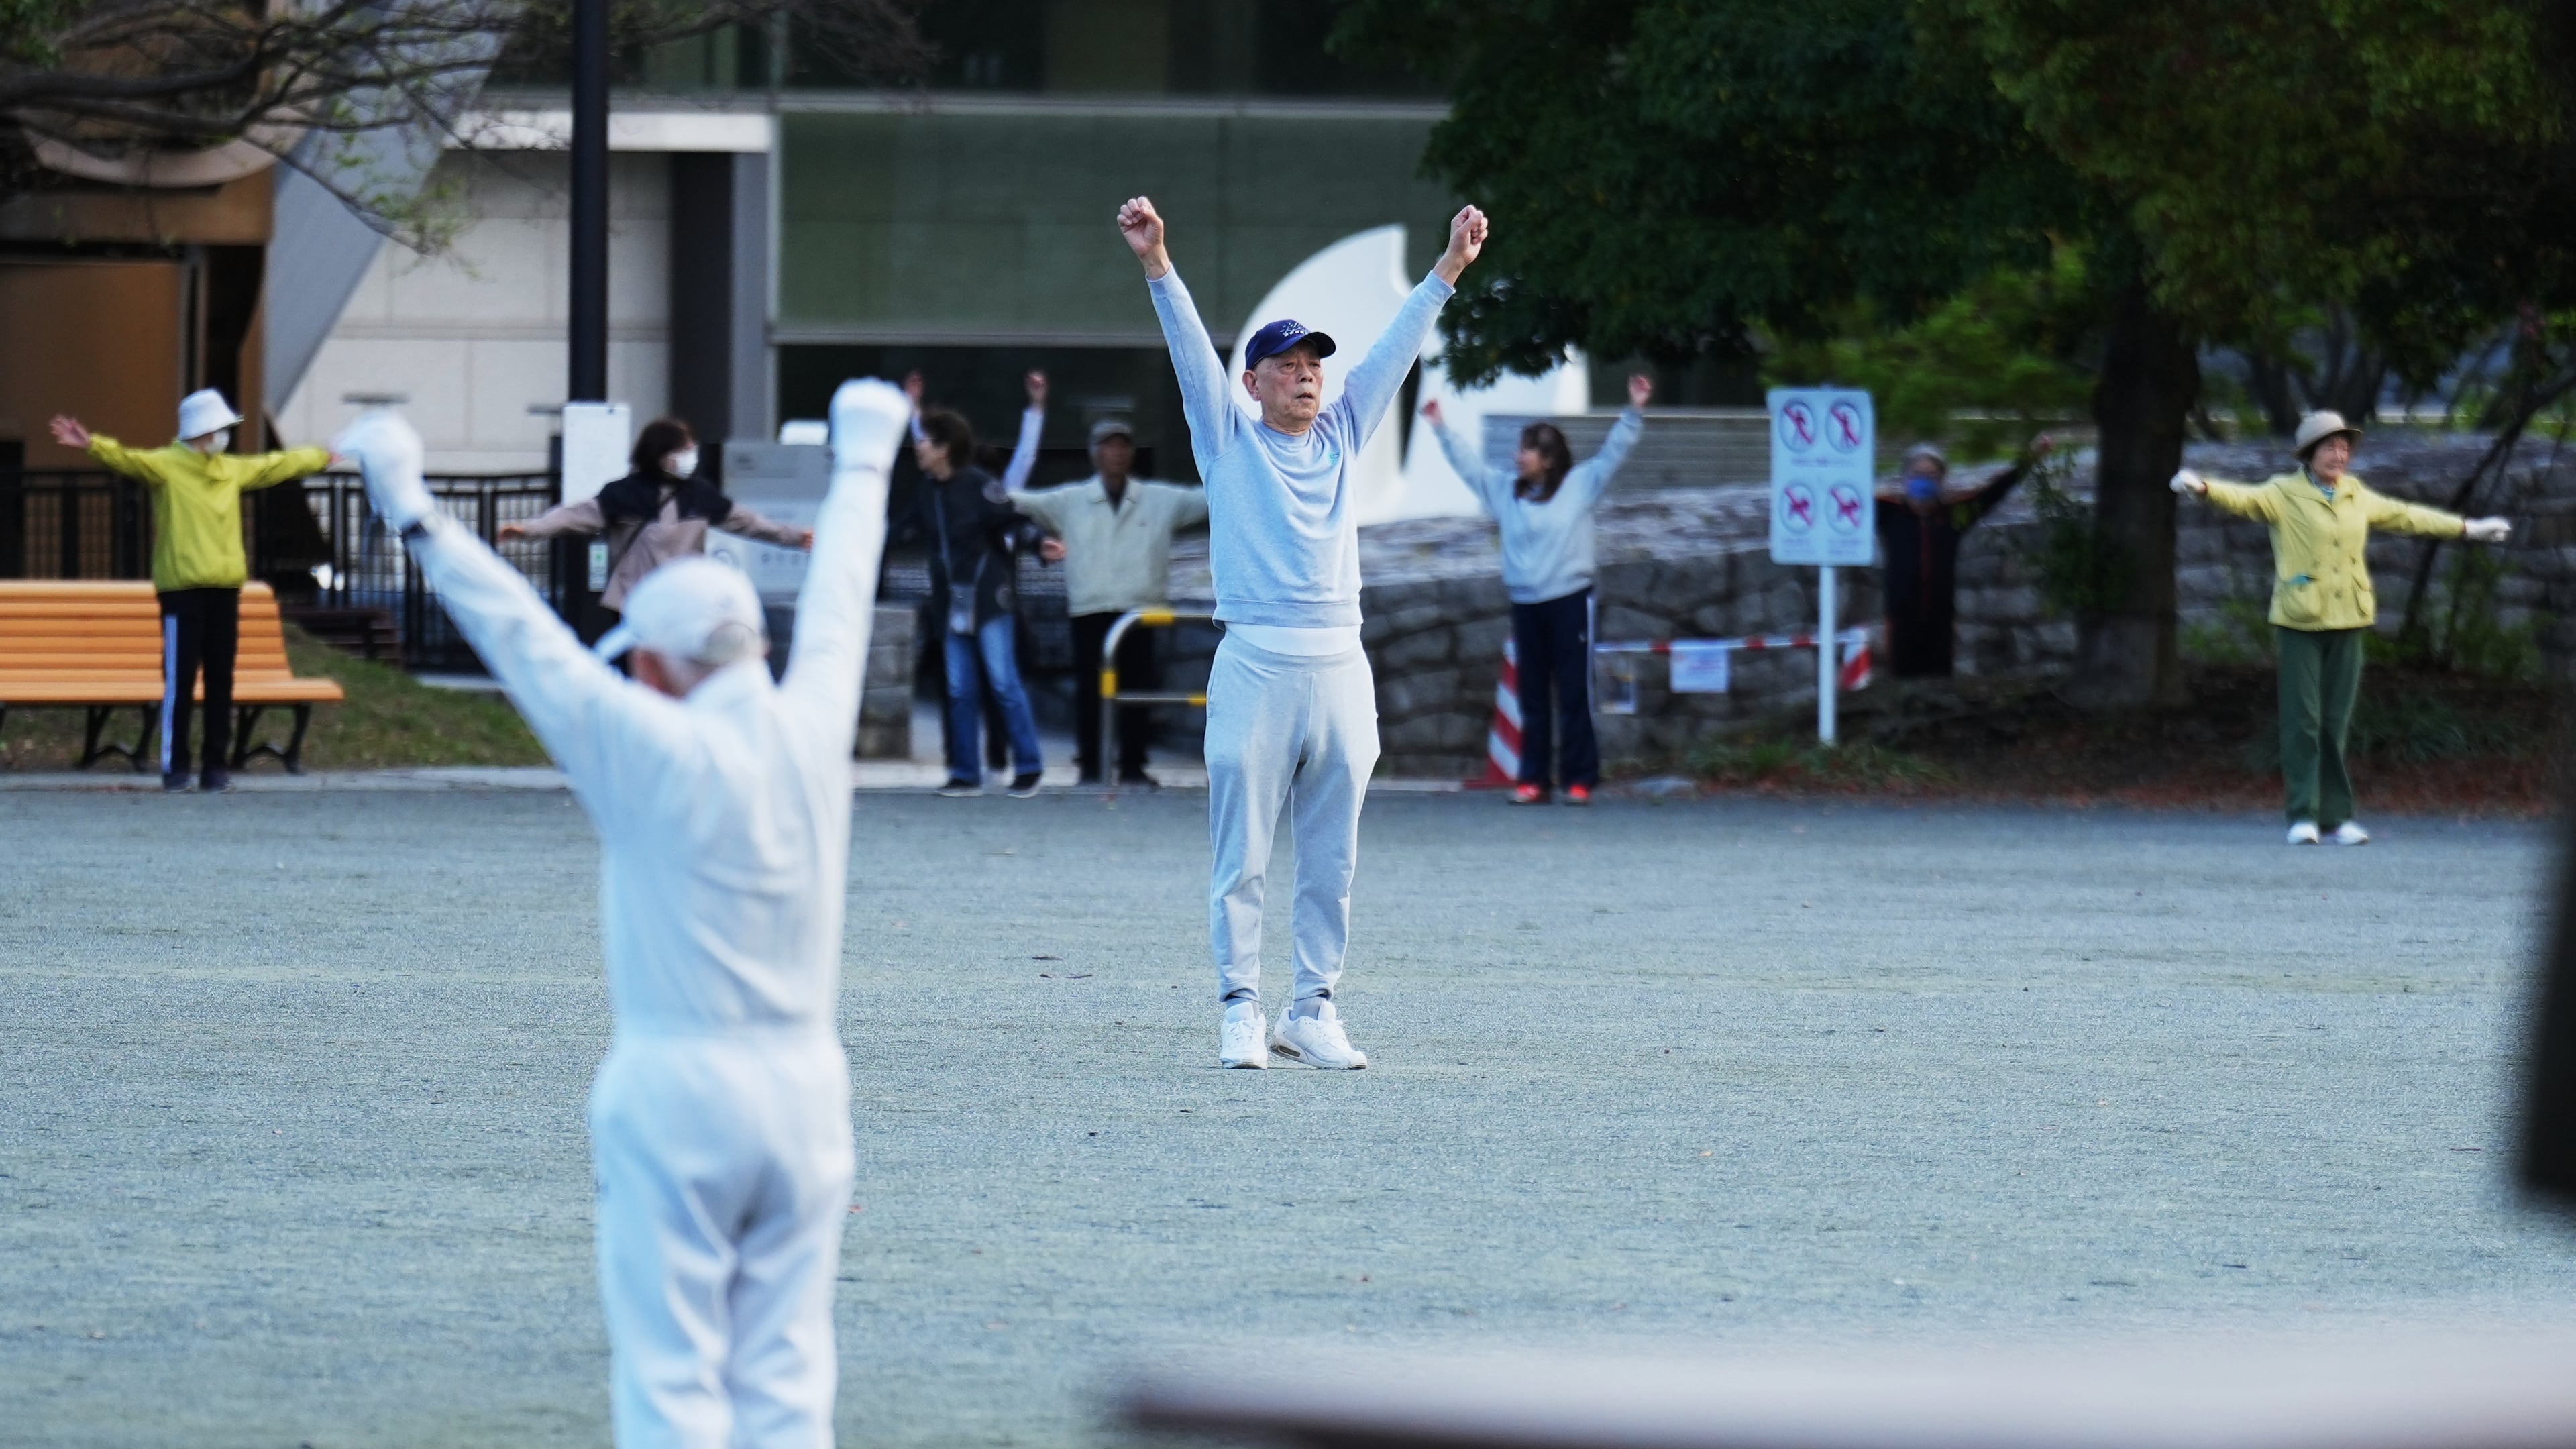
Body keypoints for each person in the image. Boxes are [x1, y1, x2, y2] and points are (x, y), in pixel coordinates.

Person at [334, 376, 908, 1448]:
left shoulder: (645, 745)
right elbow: (840, 596)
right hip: (807, 1091)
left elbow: (518, 632)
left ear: (652, 662)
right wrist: (866, 456)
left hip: (678, 1086)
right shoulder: (812, 726)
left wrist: (408, 502)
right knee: (788, 1382)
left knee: (671, 1384)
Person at [1122, 191, 1487, 1070]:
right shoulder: (1227, 438)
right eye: (1287, 364)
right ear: (1253, 383)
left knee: (1334, 855)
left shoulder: (1344, 433)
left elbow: (1396, 352)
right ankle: (1240, 1008)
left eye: (1314, 362)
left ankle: (1312, 1007)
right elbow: (1186, 357)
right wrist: (1156, 263)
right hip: (1255, 656)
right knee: (1241, 846)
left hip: (1340, 659)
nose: (1307, 374)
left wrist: (1449, 270)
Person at [2174, 409, 2512, 845]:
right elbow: (2242, 499)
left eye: (2343, 446)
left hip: (2349, 618)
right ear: (2309, 453)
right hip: (2301, 620)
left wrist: (2469, 529)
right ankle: (2302, 815)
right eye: (2329, 446)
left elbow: (2408, 516)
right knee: (2304, 721)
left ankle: (2336, 818)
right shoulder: (2284, 492)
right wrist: (2201, 488)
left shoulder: (2356, 494)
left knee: (2336, 721)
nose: (2339, 454)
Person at [49, 390, 335, 792]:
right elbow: (128, 461)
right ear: (203, 432)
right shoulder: (167, 467)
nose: (225, 437)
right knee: (180, 681)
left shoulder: (228, 470)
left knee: (221, 681)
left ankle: (215, 767)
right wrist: (92, 444)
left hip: (224, 589)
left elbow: (276, 465)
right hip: (182, 591)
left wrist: (321, 457)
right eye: (220, 429)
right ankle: (176, 765)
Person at [1422, 374, 1652, 806]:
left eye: (1526, 449)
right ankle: (1533, 780)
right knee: (1531, 695)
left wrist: (1634, 409)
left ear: (1548, 460)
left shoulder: (1580, 485)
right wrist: (1441, 429)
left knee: (1573, 691)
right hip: (1526, 603)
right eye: (1520, 448)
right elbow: (1470, 467)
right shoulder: (1505, 492)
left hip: (1570, 601)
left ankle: (1579, 779)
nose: (1518, 456)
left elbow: (1613, 454)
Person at [1009, 405, 1210, 787]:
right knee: (1090, 692)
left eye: (1122, 446)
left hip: (1141, 612)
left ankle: (1133, 765)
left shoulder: (1159, 498)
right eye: (1108, 446)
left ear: (1131, 453)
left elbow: (1209, 498)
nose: (1116, 453)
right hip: (1091, 609)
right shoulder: (1070, 499)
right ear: (1095, 453)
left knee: (1138, 690)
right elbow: (1016, 501)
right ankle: (1090, 765)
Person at [886, 405, 1053, 798]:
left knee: (1003, 681)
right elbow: (901, 530)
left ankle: (1028, 766)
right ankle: (965, 772)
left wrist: (1039, 543)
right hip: (949, 604)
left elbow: (1012, 520)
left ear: (944, 448)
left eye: (925, 441)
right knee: (959, 688)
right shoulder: (927, 492)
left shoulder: (978, 485)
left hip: (988, 599)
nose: (919, 448)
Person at [501, 417, 812, 615]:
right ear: (659, 455)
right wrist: (528, 530)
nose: (691, 455)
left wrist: (796, 538)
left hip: (685, 603)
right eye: (683, 450)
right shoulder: (624, 494)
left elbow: (748, 523)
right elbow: (574, 516)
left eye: (692, 447)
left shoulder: (699, 493)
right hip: (635, 606)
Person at [1872, 437, 2050, 680]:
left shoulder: (1955, 515)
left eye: (1932, 475)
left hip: (1941, 621)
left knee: (1940, 682)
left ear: (1941, 480)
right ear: (1905, 478)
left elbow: (1995, 491)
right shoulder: (1888, 513)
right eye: (1918, 474)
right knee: (1903, 683)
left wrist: (2031, 458)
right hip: (1902, 620)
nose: (1924, 480)